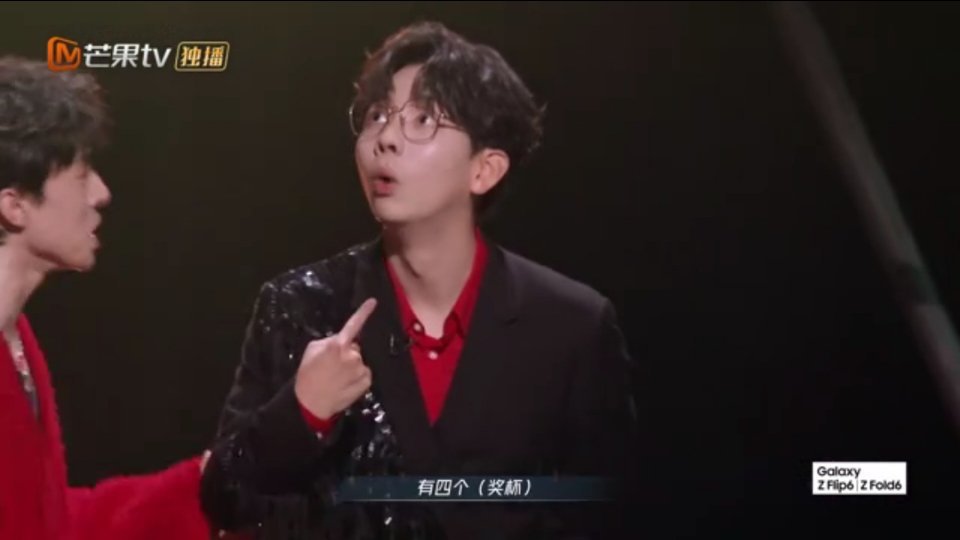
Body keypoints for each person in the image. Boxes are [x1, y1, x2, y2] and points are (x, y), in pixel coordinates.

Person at [201, 21, 638, 539]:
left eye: (423, 119)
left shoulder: (572, 327)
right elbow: (223, 497)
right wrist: (302, 413)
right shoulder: (302, 306)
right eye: (377, 116)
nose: (385, 139)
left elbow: (609, 512)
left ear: (484, 169)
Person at [0, 56, 211, 540]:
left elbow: (45, 519)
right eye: (81, 173)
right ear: (15, 205)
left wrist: (203, 483)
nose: (101, 193)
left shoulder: (18, 340)